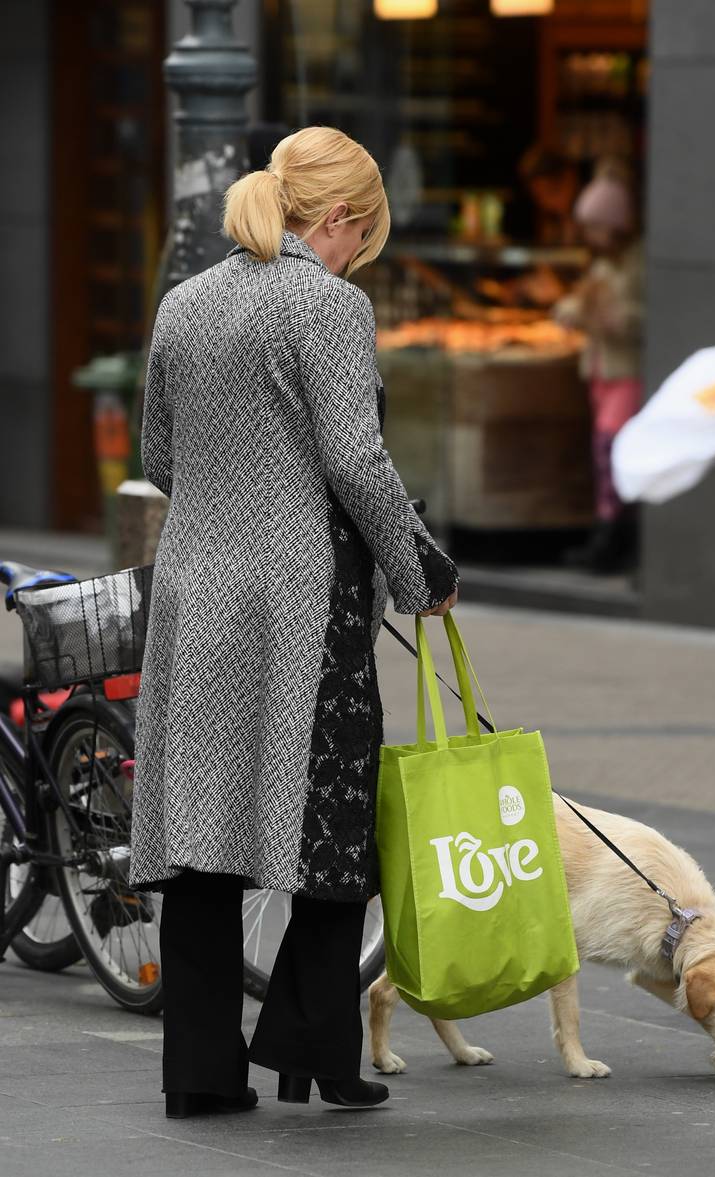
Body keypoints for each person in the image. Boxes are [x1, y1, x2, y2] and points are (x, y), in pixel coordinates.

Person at [129, 126, 459, 1119]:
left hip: (193, 597)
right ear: (342, 219)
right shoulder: (327, 304)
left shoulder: (185, 301)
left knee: (200, 837)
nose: (362, 252)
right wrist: (417, 574)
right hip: (297, 604)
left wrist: (220, 521)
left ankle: (198, 1071)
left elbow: (159, 454)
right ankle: (315, 1052)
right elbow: (356, 461)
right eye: (368, 233)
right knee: (329, 825)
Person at [554, 159, 644, 573]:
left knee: (612, 447)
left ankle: (614, 531)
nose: (590, 235)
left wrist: (609, 315)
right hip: (601, 366)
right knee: (603, 450)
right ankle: (608, 527)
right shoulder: (606, 263)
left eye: (596, 226)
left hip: (625, 366)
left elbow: (639, 317)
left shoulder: (637, 264)